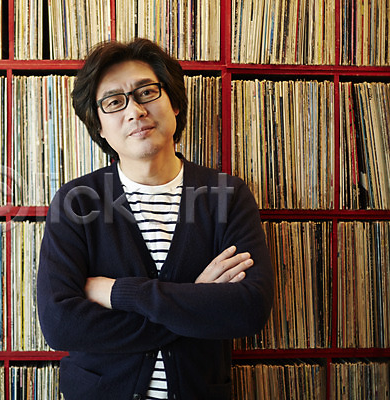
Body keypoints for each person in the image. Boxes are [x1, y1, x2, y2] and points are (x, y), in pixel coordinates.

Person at [36, 38, 274, 400]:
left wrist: (118, 292)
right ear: (99, 127)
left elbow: (248, 310)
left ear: (174, 102)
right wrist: (196, 302)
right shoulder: (77, 201)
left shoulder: (226, 195)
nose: (134, 111)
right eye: (114, 102)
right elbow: (61, 325)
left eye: (146, 92)